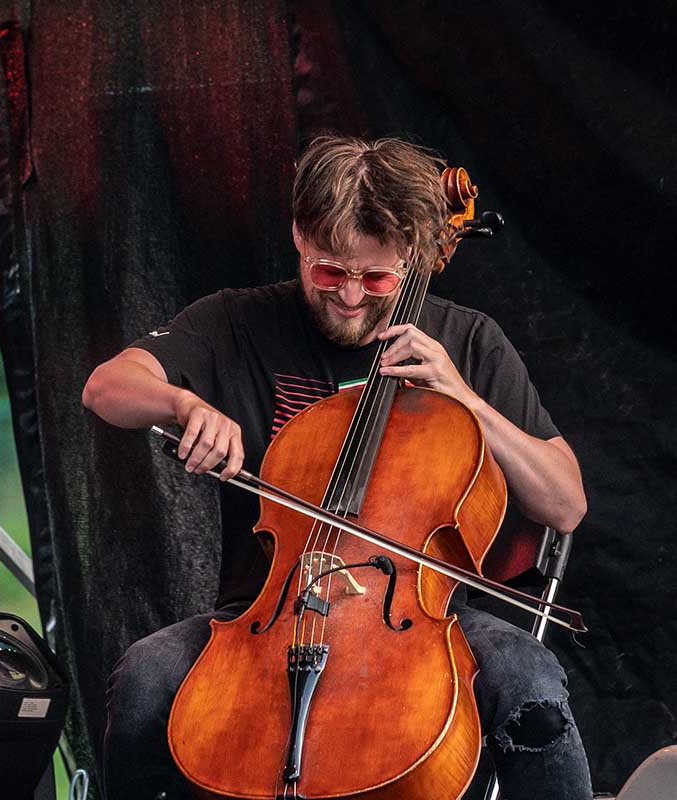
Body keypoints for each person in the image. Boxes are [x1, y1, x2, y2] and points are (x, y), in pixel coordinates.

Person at [82, 136, 591, 800]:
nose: (350, 297)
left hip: (420, 622)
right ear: (299, 237)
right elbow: (106, 387)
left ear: (411, 257)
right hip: (261, 617)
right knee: (147, 674)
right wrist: (181, 402)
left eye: (376, 278)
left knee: (529, 680)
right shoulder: (237, 322)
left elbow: (564, 504)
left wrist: (463, 398)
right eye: (328, 271)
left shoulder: (465, 340)